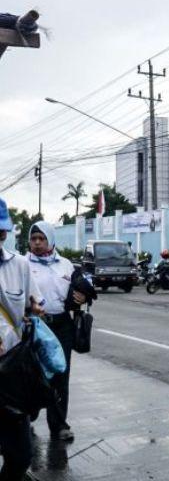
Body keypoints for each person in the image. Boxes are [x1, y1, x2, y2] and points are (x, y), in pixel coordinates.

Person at [26, 221, 88, 442]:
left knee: (61, 374)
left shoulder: (66, 265)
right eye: (34, 239)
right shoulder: (23, 264)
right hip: (34, 326)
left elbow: (79, 291)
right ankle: (27, 415)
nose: (37, 243)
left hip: (62, 325)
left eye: (42, 239)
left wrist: (81, 297)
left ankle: (59, 424)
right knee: (32, 373)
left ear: (50, 240)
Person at [0, 197, 44, 481]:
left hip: (11, 373)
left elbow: (34, 304)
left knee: (21, 454)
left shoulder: (20, 266)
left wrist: (35, 310)